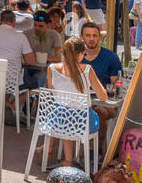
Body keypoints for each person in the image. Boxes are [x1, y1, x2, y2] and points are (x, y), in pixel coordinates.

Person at [46, 35, 108, 167]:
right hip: (82, 125)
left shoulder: (51, 68)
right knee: (94, 115)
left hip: (58, 122)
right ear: (80, 54)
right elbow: (103, 97)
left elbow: (52, 92)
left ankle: (68, 161)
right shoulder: (87, 70)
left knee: (65, 114)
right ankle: (90, 157)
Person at [0, 9, 36, 124]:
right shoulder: (20, 37)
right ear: (14, 22)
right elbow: (31, 62)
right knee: (34, 84)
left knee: (3, 80)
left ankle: (6, 105)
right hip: (12, 81)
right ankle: (11, 105)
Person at [24, 10, 63, 90]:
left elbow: (59, 58)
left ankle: (29, 95)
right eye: (35, 25)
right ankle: (28, 96)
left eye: (41, 26)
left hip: (46, 67)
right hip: (29, 66)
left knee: (36, 80)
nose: (37, 28)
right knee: (24, 77)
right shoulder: (26, 34)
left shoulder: (54, 35)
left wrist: (41, 58)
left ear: (48, 25)